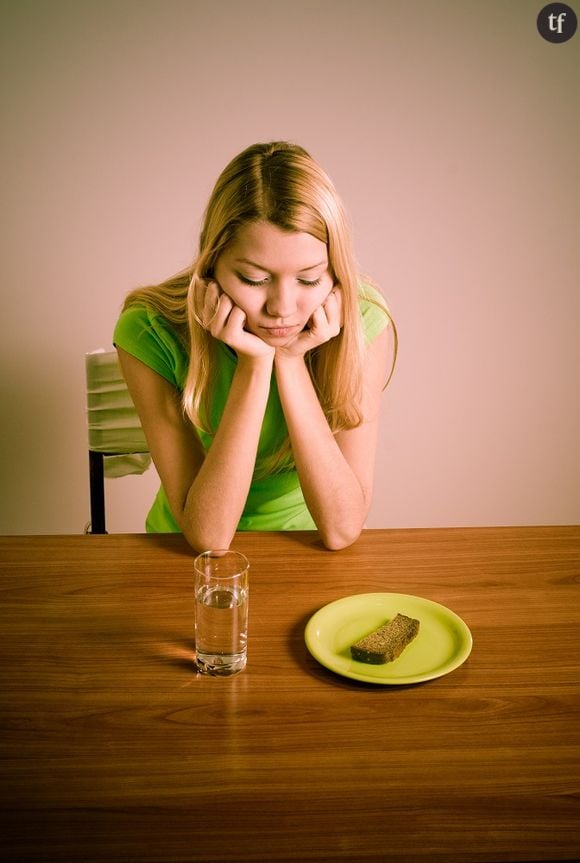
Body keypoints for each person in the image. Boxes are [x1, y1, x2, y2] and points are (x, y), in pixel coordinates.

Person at [113, 141, 396, 552]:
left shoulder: (364, 320)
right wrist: (255, 363)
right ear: (211, 267)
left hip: (305, 545)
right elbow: (209, 538)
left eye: (309, 279)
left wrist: (292, 359)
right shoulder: (149, 329)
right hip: (181, 552)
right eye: (253, 279)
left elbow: (340, 530)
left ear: (335, 275)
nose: (282, 308)